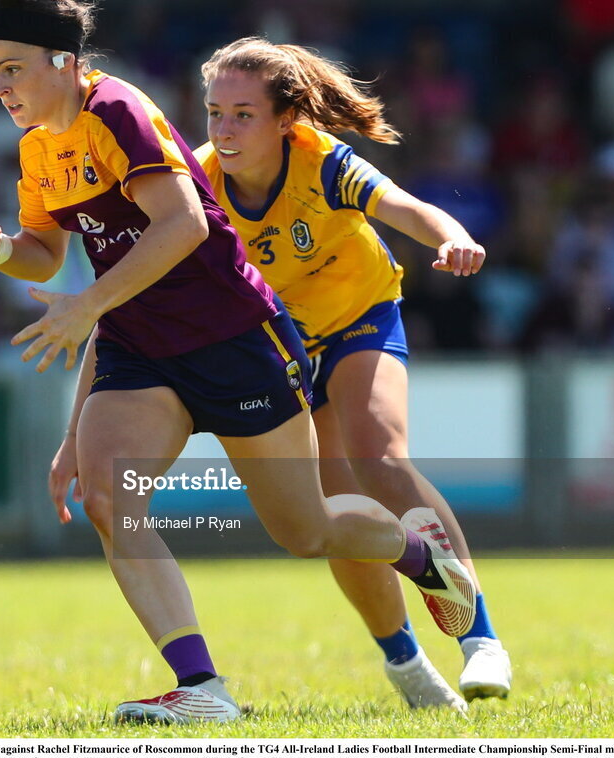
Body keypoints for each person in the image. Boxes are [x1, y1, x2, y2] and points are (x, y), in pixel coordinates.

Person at [0, 0, 477, 724]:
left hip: (235, 337)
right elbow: (43, 254)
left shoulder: (117, 112)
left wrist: (88, 305)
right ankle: (203, 688)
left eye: (11, 70)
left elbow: (186, 228)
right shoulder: (39, 146)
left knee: (305, 529)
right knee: (111, 497)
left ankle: (424, 558)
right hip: (144, 349)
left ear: (64, 61)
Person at [192, 37, 512, 706]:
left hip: (360, 315)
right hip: (282, 352)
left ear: (286, 121)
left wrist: (449, 236)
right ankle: (404, 664)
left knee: (379, 454)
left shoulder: (323, 162)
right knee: (335, 509)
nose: (223, 130)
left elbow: (402, 207)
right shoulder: (197, 187)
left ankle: (480, 639)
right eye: (214, 112)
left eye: (243, 114)